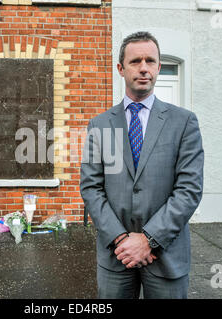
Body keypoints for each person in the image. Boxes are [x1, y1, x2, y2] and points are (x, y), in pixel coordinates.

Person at [80, 31, 204, 299]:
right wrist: (120, 239)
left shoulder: (183, 123)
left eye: (150, 61)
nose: (144, 68)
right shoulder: (99, 125)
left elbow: (189, 189)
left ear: (159, 67)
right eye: (136, 61)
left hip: (166, 255)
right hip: (116, 257)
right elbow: (91, 187)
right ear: (121, 68)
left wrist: (148, 240)